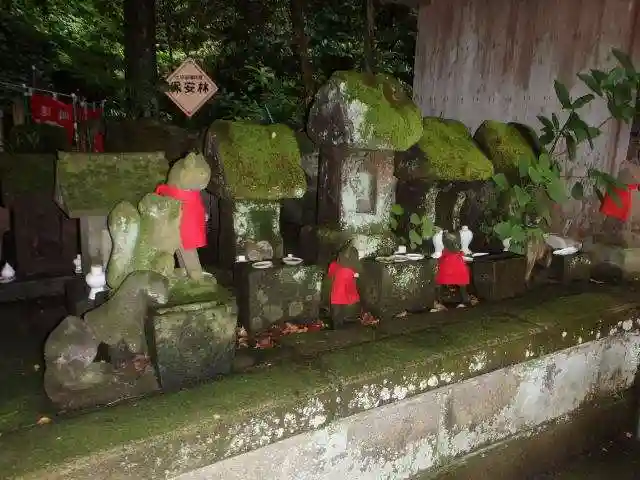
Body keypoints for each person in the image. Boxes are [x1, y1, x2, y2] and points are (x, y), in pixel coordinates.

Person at [431, 231, 471, 311]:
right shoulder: (455, 250)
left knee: (440, 279)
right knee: (461, 279)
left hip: (449, 269)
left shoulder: (446, 248)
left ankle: (439, 300)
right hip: (454, 269)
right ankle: (464, 299)